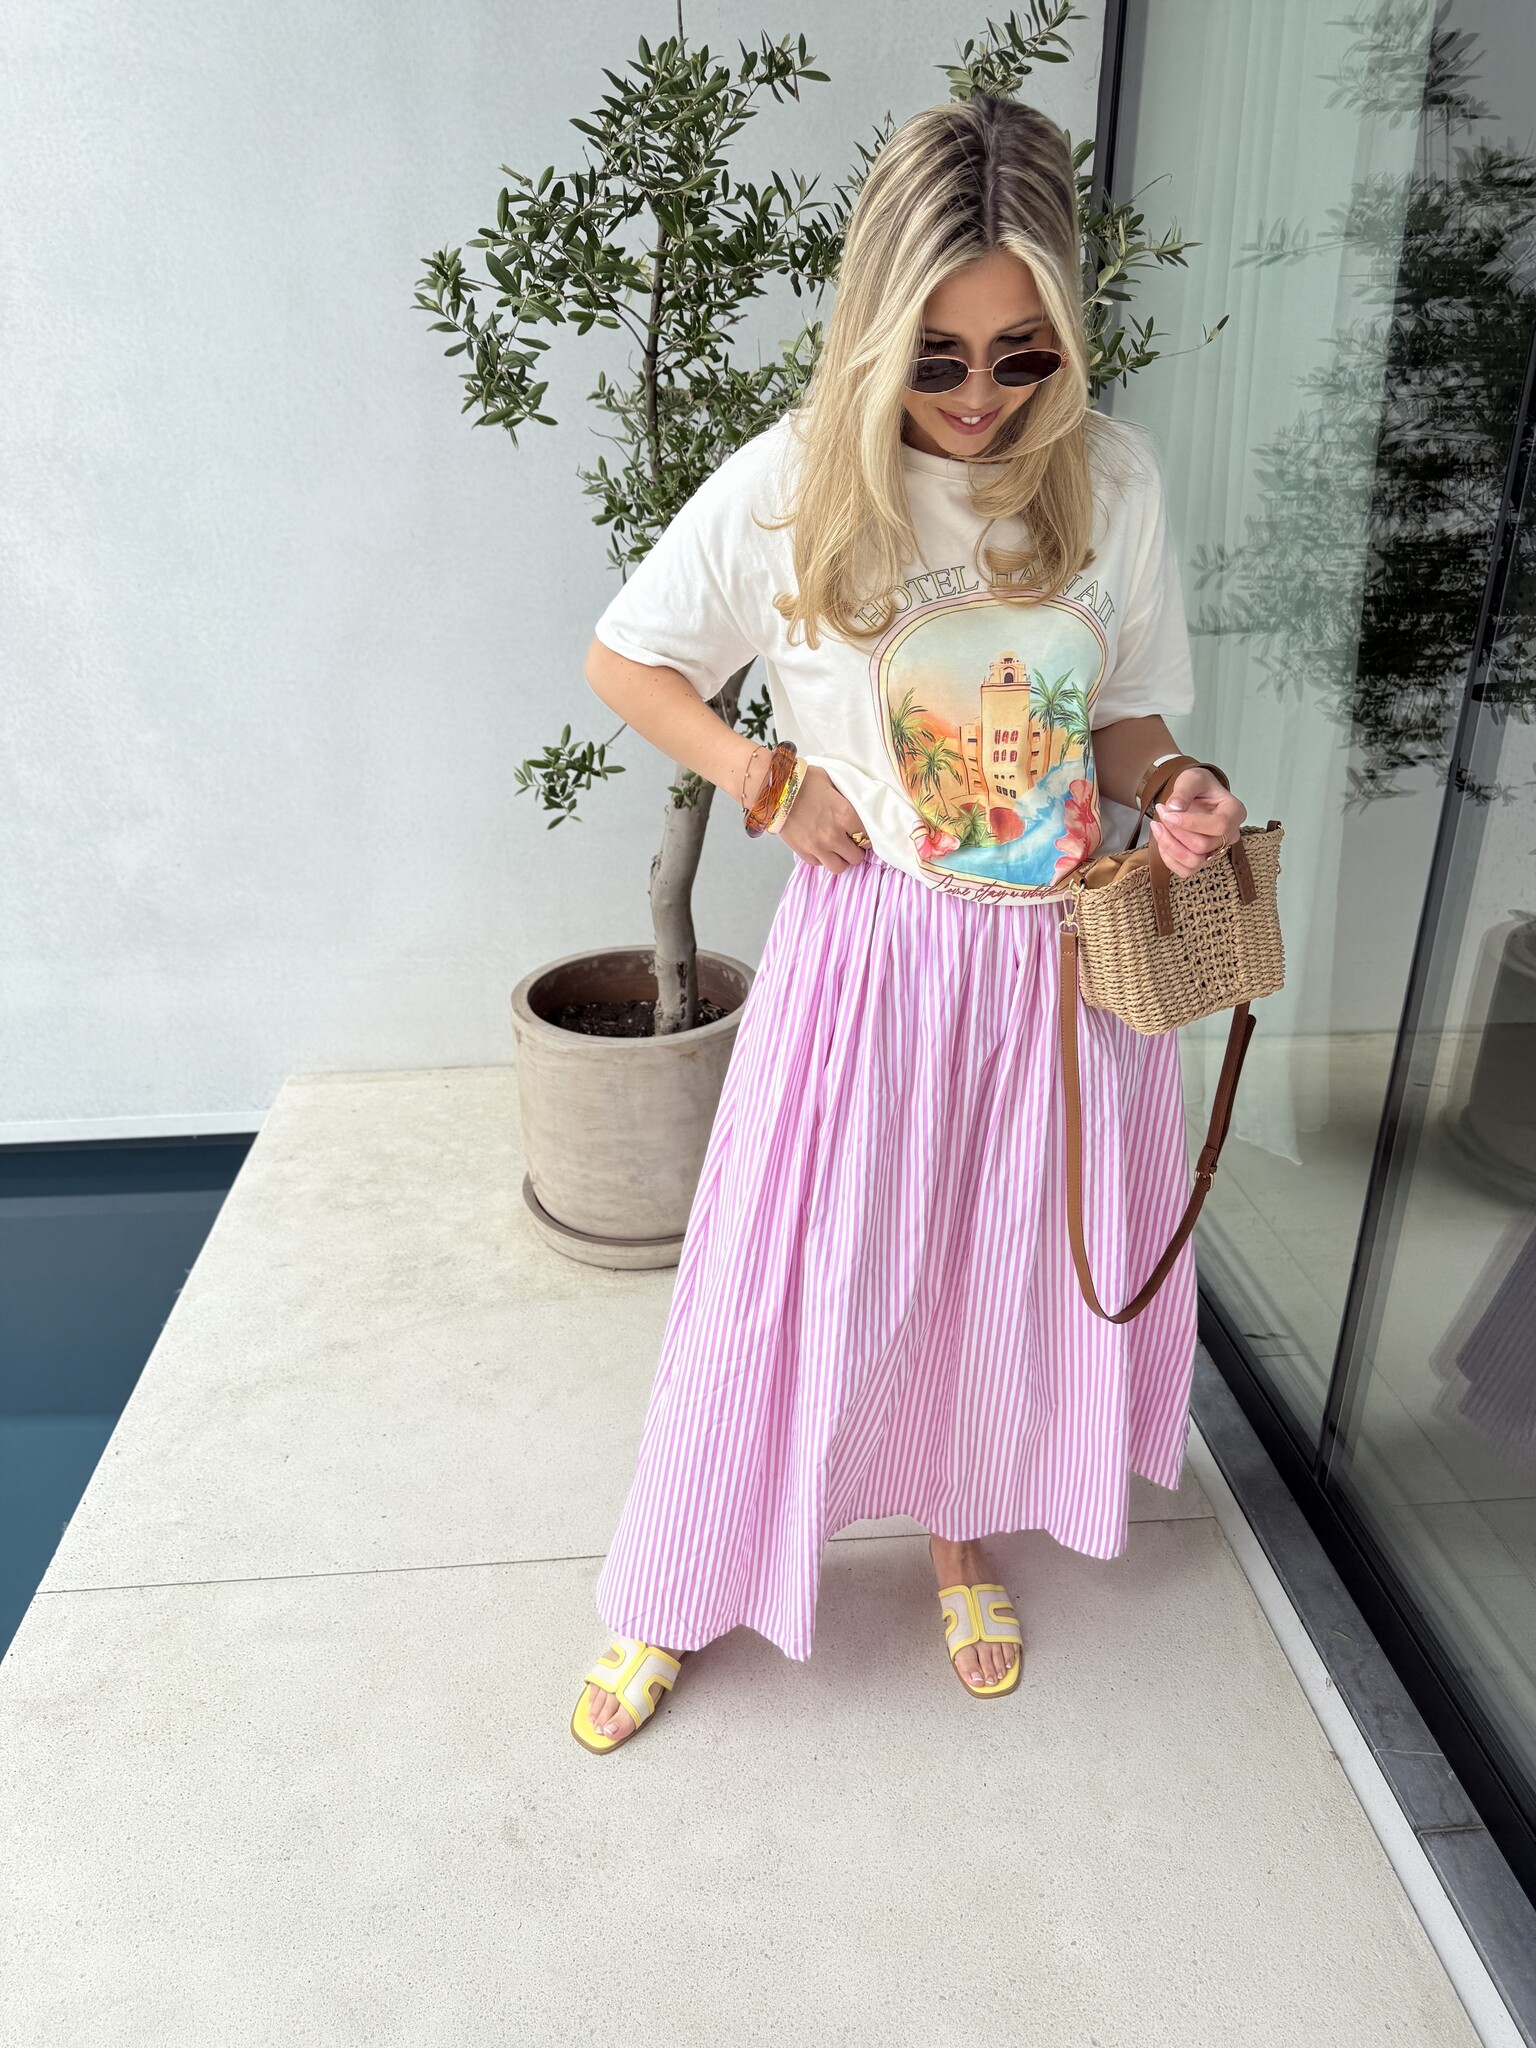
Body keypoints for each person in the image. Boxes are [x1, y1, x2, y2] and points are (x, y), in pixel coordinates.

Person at [569, 93, 1247, 1753]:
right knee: (783, 1279)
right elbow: (628, 657)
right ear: (877, 332)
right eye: (937, 357)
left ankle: (960, 1533)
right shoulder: (796, 484)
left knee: (994, 1272)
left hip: (1063, 968)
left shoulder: (1112, 480)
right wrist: (762, 774)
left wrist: (1180, 791)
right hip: (871, 955)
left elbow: (1130, 723)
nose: (980, 396)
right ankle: (675, 1581)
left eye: (1022, 352)